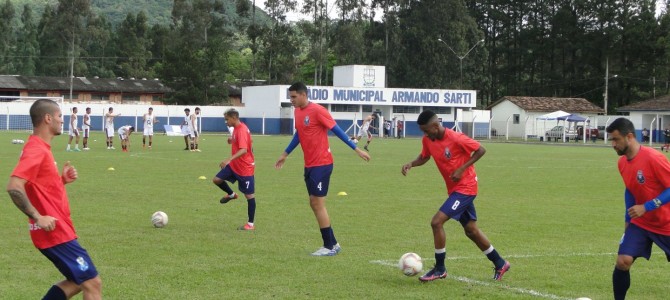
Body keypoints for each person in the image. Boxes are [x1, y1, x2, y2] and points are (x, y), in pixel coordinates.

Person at [6, 99, 102, 299]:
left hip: (59, 229)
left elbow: (38, 186)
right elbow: (14, 186)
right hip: (54, 232)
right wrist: (37, 216)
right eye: (59, 116)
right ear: (48, 118)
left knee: (77, 281)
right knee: (92, 283)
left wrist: (62, 181)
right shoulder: (36, 149)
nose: (62, 121)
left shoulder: (41, 147)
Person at [401, 110, 510, 282]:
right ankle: (500, 263)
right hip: (454, 189)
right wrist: (411, 164)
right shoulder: (428, 140)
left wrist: (461, 169)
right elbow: (424, 156)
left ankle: (440, 268)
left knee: (436, 222)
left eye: (426, 130)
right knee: (471, 231)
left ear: (436, 126)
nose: (424, 133)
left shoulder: (456, 138)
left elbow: (481, 150)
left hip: (466, 187)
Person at [275, 82, 370, 256]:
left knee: (317, 203)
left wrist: (356, 149)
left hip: (322, 163)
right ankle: (333, 243)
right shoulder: (298, 112)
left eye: (294, 96)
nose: (291, 100)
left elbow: (337, 130)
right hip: (310, 164)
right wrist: (285, 153)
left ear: (304, 95)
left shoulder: (318, 111)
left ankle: (329, 246)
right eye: (290, 97)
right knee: (314, 203)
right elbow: (299, 134)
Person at [606, 118, 670, 300]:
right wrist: (628, 220)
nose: (613, 144)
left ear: (630, 137)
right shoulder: (623, 163)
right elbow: (630, 190)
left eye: (616, 139)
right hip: (641, 224)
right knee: (622, 261)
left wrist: (647, 206)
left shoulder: (653, 158)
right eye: (611, 140)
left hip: (667, 223)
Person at [214, 108, 256, 231]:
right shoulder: (237, 128)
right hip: (235, 165)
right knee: (217, 180)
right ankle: (232, 195)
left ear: (234, 118)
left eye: (227, 119)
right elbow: (249, 140)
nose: (226, 122)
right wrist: (232, 140)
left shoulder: (241, 129)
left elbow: (244, 150)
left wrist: (228, 160)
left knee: (249, 196)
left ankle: (250, 224)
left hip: (245, 167)